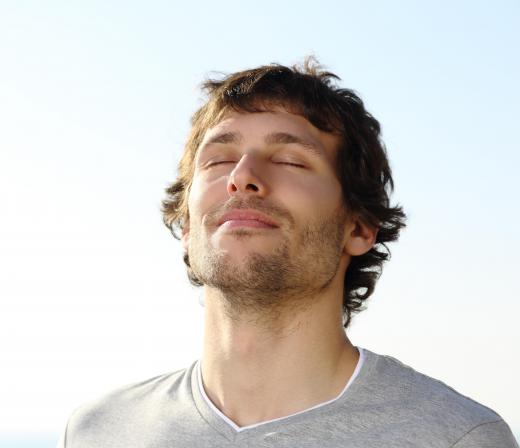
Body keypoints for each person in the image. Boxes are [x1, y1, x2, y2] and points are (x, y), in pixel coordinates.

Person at [57, 58, 518, 447]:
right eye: (218, 160)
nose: (242, 176)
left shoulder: (457, 438)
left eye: (291, 160)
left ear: (357, 227)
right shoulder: (98, 431)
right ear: (185, 224)